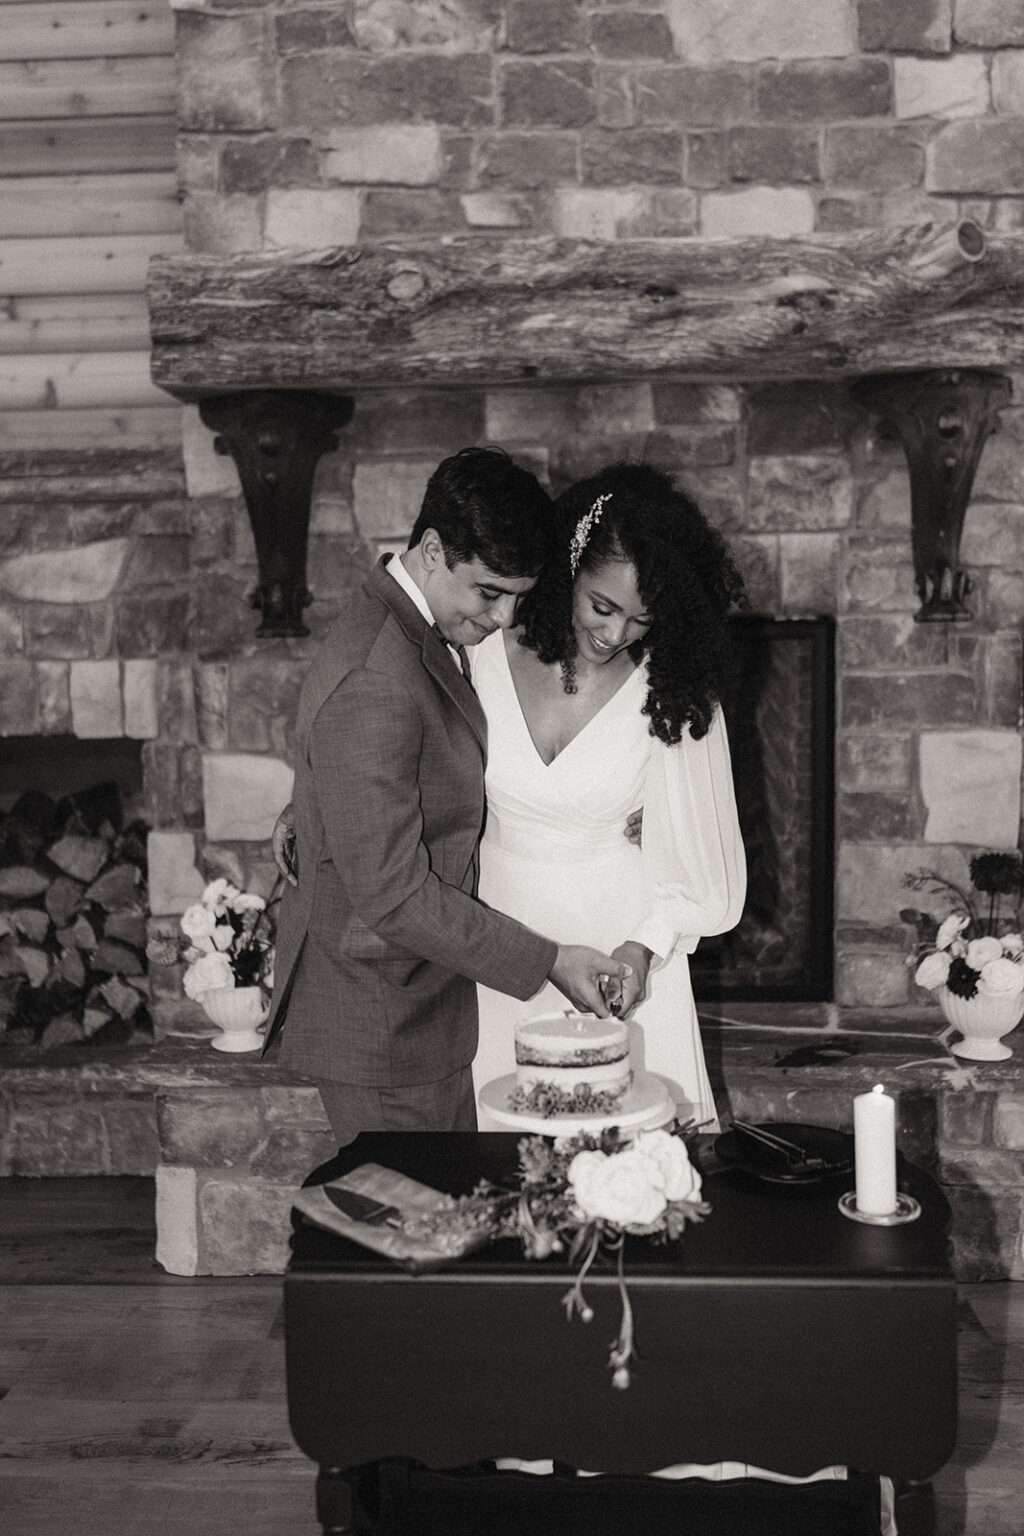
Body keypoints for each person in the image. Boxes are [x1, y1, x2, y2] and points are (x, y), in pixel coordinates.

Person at [262, 447, 631, 1146]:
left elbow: (395, 774)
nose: (503, 616)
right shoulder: (379, 673)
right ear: (432, 551)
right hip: (384, 1024)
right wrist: (549, 960)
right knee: (415, 1241)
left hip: (414, 1006)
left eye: (517, 596)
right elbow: (396, 895)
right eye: (490, 592)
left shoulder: (414, 622)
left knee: (437, 1229)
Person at [469, 460, 746, 1130]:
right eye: (602, 605)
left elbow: (700, 863)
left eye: (640, 619)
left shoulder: (673, 691)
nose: (615, 634)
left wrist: (643, 949)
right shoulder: (479, 648)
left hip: (625, 959)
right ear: (569, 566)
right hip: (497, 951)